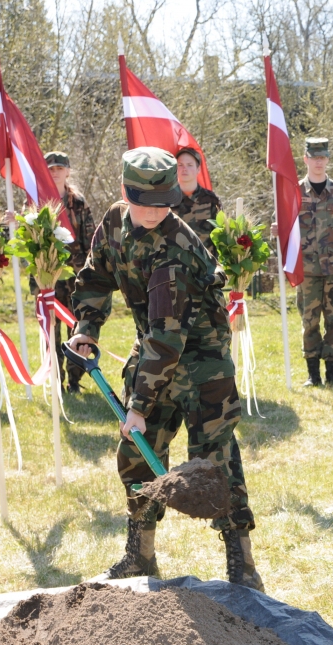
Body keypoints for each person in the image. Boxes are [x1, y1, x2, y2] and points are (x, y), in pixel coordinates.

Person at [68, 147, 262, 590]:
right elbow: (96, 276)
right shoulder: (115, 223)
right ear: (125, 192)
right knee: (137, 453)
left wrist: (137, 405)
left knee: (215, 462)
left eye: (164, 202)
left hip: (201, 360)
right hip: (153, 347)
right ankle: (140, 555)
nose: (157, 211)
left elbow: (168, 336)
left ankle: (242, 564)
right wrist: (88, 327)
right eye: (146, 202)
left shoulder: (174, 248)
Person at [295, 137, 333, 387]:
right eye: (314, 157)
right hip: (307, 270)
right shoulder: (294, 191)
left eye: (323, 157)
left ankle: (332, 372)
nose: (318, 162)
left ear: (328, 159)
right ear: (305, 159)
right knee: (309, 321)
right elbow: (286, 227)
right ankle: (313, 374)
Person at [41, 151, 97, 393]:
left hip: (76, 278)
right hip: (49, 278)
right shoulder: (37, 201)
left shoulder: (79, 202)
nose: (55, 173)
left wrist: (90, 274)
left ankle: (75, 381)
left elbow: (91, 240)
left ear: (67, 171)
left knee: (77, 329)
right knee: (51, 332)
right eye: (51, 169)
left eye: (59, 168)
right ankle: (55, 381)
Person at [170, 147, 222, 251]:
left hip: (205, 265)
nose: (184, 169)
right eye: (180, 165)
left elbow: (221, 236)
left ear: (198, 169)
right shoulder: (166, 199)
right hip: (173, 265)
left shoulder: (211, 200)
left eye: (190, 165)